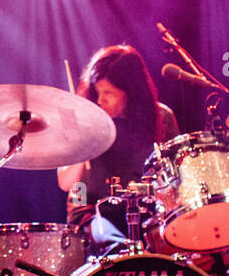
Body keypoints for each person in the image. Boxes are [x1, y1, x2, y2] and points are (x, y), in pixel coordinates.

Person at [57, 44, 179, 253]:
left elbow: (176, 178)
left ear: (131, 93)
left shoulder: (161, 118)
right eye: (97, 91)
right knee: (117, 250)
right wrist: (84, 143)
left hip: (146, 212)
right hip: (93, 211)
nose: (100, 99)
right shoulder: (85, 120)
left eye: (109, 93)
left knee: (174, 247)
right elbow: (66, 183)